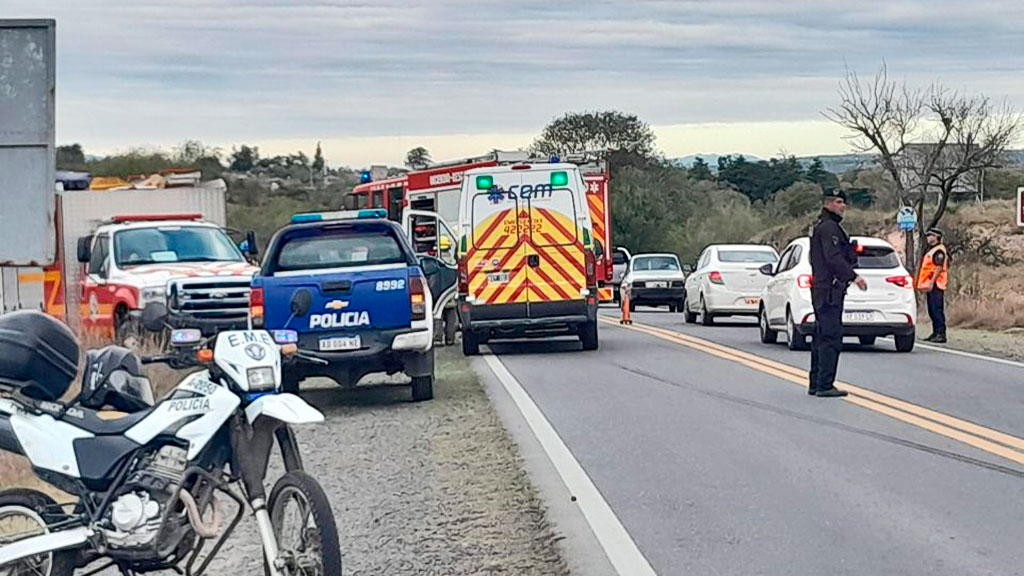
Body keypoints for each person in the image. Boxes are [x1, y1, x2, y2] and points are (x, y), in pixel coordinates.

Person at [807, 190, 868, 398]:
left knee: (820, 335)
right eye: (839, 202)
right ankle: (824, 384)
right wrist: (853, 276)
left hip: (823, 288)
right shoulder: (829, 228)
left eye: (844, 202)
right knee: (831, 337)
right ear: (829, 204)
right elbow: (832, 258)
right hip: (829, 290)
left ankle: (816, 382)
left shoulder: (820, 227)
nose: (843, 206)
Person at [916, 227, 949, 343]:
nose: (928, 238)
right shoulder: (932, 249)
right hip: (931, 284)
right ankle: (935, 333)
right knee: (932, 309)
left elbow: (939, 267)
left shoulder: (939, 251)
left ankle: (941, 333)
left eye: (930, 235)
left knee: (936, 309)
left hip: (936, 284)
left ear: (936, 237)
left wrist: (931, 282)